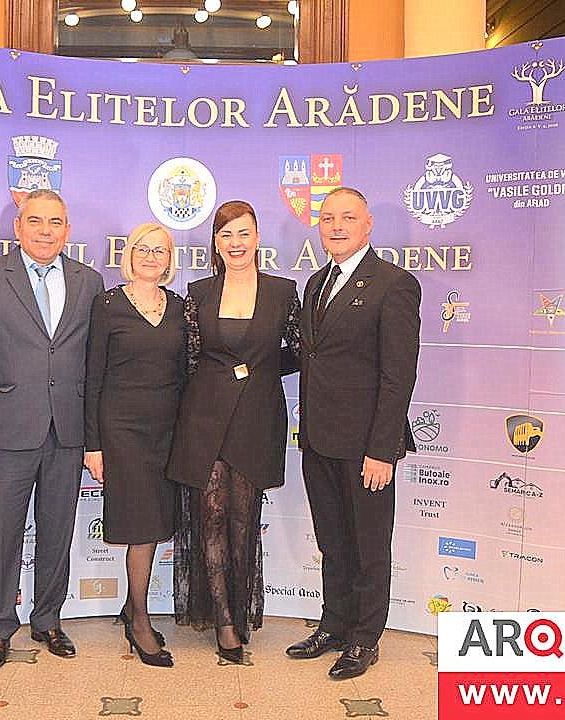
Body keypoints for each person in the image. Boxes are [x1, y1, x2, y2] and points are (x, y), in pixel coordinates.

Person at [0, 189, 105, 671]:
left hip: (68, 430)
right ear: (18, 228)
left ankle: (48, 619)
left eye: (55, 222)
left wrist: (96, 435)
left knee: (58, 532)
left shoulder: (89, 281)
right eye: (35, 221)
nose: (45, 230)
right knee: (2, 535)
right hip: (5, 432)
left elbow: (95, 363)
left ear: (68, 230)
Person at [287, 187, 421, 680]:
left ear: (368, 225)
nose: (336, 226)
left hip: (367, 446)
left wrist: (382, 449)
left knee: (368, 544)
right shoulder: (316, 282)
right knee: (333, 541)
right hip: (317, 439)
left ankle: (365, 637)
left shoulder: (394, 284)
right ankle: (335, 625)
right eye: (328, 219)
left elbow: (398, 375)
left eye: (347, 217)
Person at [167, 200, 301, 664]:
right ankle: (224, 622)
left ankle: (240, 612)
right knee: (211, 518)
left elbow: (300, 351)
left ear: (257, 238)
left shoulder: (283, 292)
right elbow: (190, 358)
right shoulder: (199, 292)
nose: (235, 243)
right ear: (216, 243)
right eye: (226, 235)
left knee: (243, 521)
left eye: (243, 233)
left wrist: (255, 372)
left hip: (256, 418)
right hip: (204, 418)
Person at [84, 223, 185, 668]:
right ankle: (139, 621)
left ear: (169, 260)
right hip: (122, 431)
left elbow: (187, 372)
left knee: (158, 521)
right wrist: (93, 445)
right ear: (129, 255)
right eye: (142, 248)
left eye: (159, 250)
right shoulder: (107, 304)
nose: (150, 256)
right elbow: (92, 377)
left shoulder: (179, 306)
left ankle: (133, 607)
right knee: (141, 526)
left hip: (168, 431)